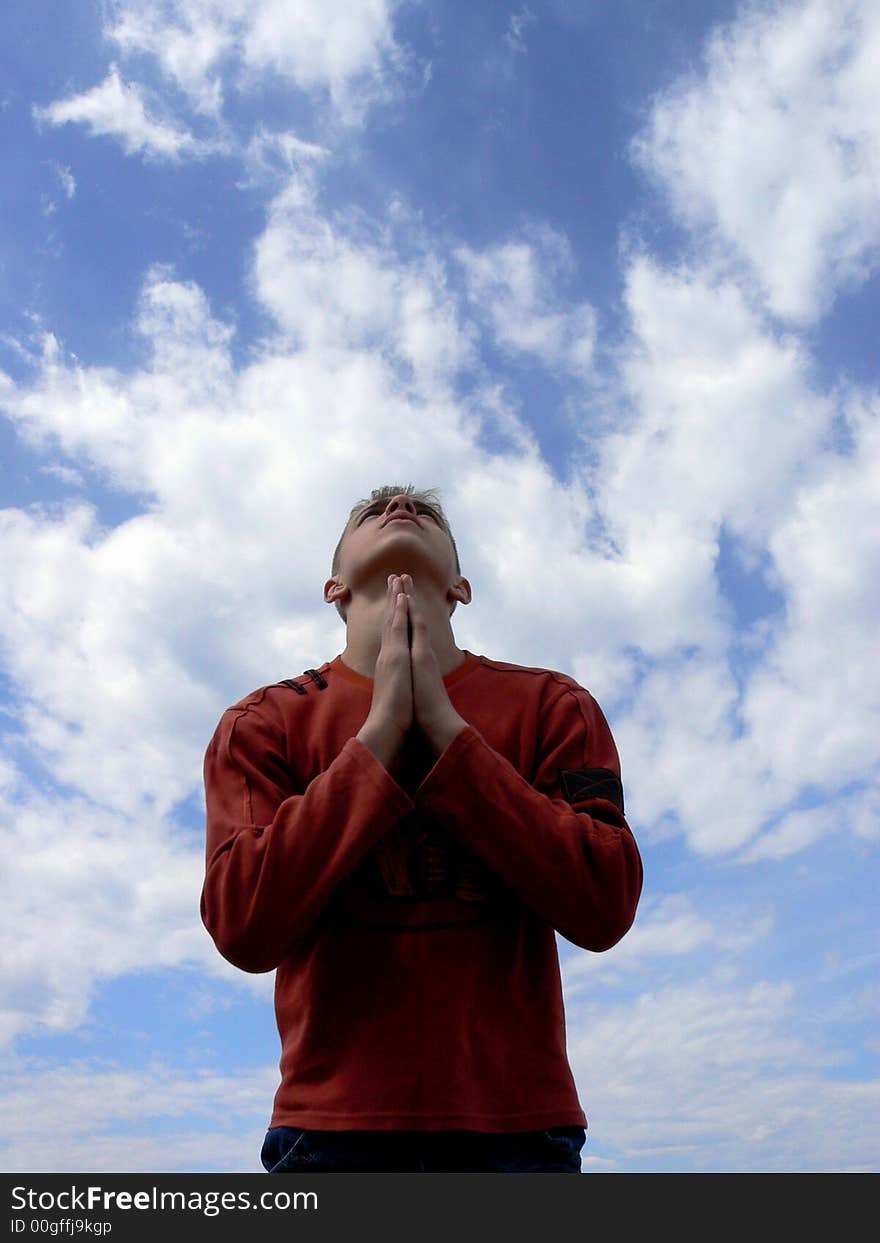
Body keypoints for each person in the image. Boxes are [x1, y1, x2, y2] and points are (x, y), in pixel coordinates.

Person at [201, 484, 643, 1173]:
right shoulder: (262, 723)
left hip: (519, 1133)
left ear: (461, 586)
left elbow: (605, 900)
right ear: (334, 586)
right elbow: (243, 922)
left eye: (426, 512)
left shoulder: (553, 706)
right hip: (329, 1134)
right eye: (371, 511)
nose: (400, 504)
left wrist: (446, 730)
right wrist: (379, 736)